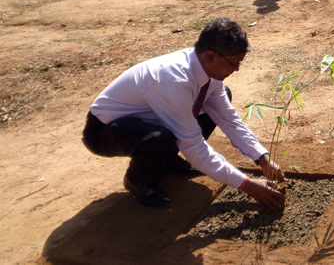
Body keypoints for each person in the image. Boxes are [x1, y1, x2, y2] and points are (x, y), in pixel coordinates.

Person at [83, 18, 286, 210]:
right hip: (105, 131)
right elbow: (194, 147)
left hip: (149, 120)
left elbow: (229, 120)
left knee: (219, 98)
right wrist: (248, 185)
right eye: (234, 63)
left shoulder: (207, 72)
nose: (237, 69)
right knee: (160, 138)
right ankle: (139, 182)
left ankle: (168, 162)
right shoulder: (173, 80)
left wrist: (261, 157)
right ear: (210, 56)